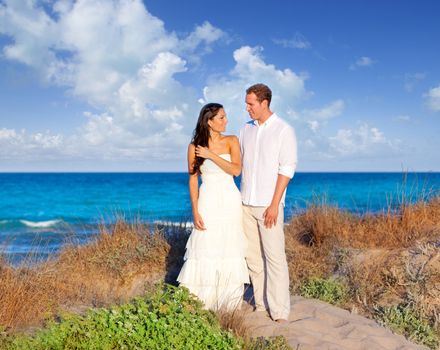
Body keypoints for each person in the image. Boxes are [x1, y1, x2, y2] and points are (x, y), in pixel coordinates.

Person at [177, 103, 249, 311]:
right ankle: (201, 303)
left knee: (229, 247)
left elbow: (236, 170)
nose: (226, 121)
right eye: (221, 118)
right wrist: (195, 210)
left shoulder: (232, 141)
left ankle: (228, 303)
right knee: (205, 247)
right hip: (207, 200)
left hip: (229, 199)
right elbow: (193, 181)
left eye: (225, 117)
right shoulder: (193, 147)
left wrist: (211, 156)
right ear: (209, 121)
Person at [239, 83, 297, 323]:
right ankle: (262, 304)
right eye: (246, 103)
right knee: (253, 257)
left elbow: (287, 169)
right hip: (245, 203)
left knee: (274, 258)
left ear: (264, 103)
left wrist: (275, 204)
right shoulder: (245, 129)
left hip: (268, 205)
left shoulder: (284, 130)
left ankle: (280, 311)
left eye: (251, 104)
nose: (247, 108)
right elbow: (240, 164)